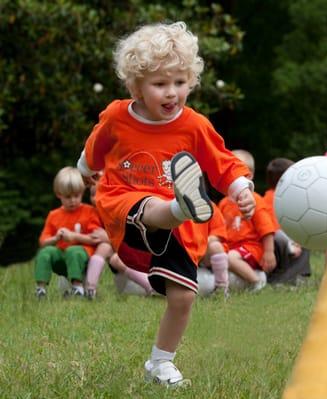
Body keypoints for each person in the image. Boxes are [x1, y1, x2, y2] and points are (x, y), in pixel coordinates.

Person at [76, 21, 255, 387]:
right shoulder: (117, 116)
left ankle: (160, 364)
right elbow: (93, 151)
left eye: (180, 82)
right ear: (136, 88)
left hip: (174, 234)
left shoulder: (194, 125)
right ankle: (180, 207)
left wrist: (240, 188)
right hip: (124, 205)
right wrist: (84, 170)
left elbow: (223, 163)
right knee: (150, 206)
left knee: (183, 296)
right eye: (160, 84)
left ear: (191, 80)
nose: (172, 92)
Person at [34, 166, 103, 298]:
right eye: (67, 196)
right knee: (45, 252)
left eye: (76, 196)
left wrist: (74, 237)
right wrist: (56, 238)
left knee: (73, 251)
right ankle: (40, 289)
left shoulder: (89, 212)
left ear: (82, 192)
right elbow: (43, 242)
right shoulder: (53, 215)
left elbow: (95, 238)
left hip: (82, 257)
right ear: (58, 194)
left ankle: (77, 287)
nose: (72, 200)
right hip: (62, 256)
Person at [219, 150, 275, 291]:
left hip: (251, 248)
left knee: (230, 258)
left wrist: (269, 252)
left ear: (249, 176)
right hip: (231, 248)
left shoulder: (255, 200)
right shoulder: (224, 203)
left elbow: (266, 229)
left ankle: (257, 282)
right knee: (220, 256)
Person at [263, 157, 311, 284]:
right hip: (277, 242)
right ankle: (290, 277)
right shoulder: (275, 198)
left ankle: (294, 275)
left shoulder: (271, 197)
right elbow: (273, 228)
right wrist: (292, 242)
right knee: (304, 238)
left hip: (278, 242)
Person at [83, 179, 114, 299]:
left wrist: (108, 238)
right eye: (92, 194)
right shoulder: (92, 213)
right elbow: (94, 235)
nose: (95, 198)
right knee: (103, 247)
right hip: (99, 248)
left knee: (105, 247)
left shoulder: (114, 212)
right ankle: (90, 289)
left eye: (99, 193)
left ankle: (90, 287)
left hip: (119, 249)